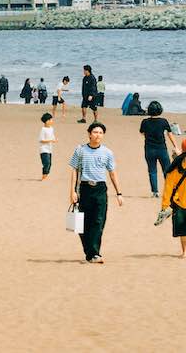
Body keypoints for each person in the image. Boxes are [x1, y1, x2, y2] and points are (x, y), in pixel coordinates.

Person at [67, 121, 123, 263]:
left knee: (99, 221)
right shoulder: (80, 150)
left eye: (100, 133)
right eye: (95, 132)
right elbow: (74, 170)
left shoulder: (107, 152)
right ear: (89, 134)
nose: (98, 135)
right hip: (84, 189)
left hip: (100, 189)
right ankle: (90, 251)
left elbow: (112, 172)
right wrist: (72, 191)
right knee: (82, 223)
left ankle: (95, 254)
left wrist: (119, 193)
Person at [138, 101, 178, 196]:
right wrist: (176, 146)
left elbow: (142, 132)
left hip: (149, 149)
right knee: (167, 170)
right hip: (161, 149)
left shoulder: (145, 122)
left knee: (152, 170)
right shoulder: (163, 121)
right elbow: (170, 134)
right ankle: (170, 190)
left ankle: (155, 192)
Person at [38, 112, 57, 180]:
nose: (52, 121)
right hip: (43, 149)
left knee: (50, 164)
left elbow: (52, 136)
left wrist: (54, 139)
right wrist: (50, 140)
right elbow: (41, 140)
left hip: (49, 149)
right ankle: (43, 177)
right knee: (46, 163)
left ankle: (45, 176)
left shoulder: (51, 128)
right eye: (50, 120)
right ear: (46, 121)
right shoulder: (43, 129)